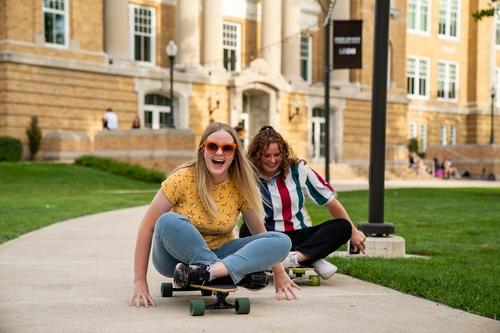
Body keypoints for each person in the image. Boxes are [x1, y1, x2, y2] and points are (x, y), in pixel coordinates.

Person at [129, 122, 299, 308]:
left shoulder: (239, 185)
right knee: (168, 221)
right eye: (212, 146)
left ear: (234, 155)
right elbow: (147, 227)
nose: (219, 153)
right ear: (203, 150)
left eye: (227, 148)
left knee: (281, 241)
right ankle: (230, 271)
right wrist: (139, 281)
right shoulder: (182, 178)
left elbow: (259, 233)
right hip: (176, 260)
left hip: (220, 253)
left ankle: (213, 272)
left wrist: (279, 273)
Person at [239, 126, 366, 280]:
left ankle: (294, 259)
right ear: (257, 155)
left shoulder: (298, 170)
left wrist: (353, 232)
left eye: (277, 155)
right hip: (268, 237)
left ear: (284, 154)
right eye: (267, 156)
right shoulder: (247, 175)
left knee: (343, 226)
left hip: (299, 234)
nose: (273, 160)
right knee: (246, 230)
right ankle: (312, 258)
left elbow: (330, 202)